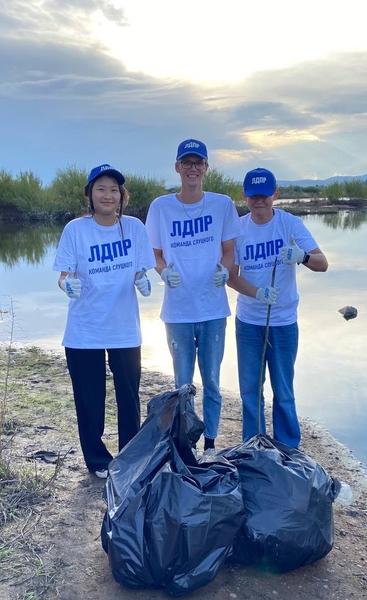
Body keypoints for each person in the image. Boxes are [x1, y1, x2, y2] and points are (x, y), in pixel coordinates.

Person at [52, 164, 155, 479]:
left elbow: (142, 268)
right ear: (89, 195)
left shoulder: (135, 227)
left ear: (122, 195)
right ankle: (97, 461)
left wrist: (142, 278)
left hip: (124, 328)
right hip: (85, 330)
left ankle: (129, 456)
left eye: (114, 190)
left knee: (129, 396)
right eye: (101, 189)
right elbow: (63, 275)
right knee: (90, 399)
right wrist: (66, 284)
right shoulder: (76, 230)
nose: (108, 195)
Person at [145, 139, 242, 457]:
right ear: (177, 167)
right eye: (186, 162)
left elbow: (229, 252)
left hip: (214, 309)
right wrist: (162, 273)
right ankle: (183, 444)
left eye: (198, 162)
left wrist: (225, 272)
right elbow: (154, 254)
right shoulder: (161, 207)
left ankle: (211, 445)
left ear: (206, 168)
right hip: (178, 311)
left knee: (212, 382)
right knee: (182, 384)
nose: (192, 168)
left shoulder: (222, 204)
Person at [227, 167, 328, 448]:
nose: (259, 202)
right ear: (245, 197)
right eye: (253, 197)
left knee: (283, 391)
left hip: (282, 322)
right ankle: (254, 445)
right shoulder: (238, 229)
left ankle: (287, 447)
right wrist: (257, 293)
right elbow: (231, 277)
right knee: (250, 390)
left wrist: (301, 255)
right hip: (248, 322)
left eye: (264, 196)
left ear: (275, 194)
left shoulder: (289, 223)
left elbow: (322, 264)